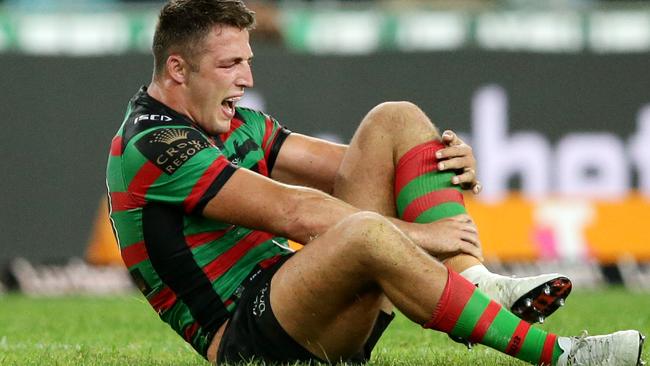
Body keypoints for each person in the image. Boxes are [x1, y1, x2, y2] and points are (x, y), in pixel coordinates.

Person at [106, 0, 645, 365]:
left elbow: (355, 166)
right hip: (247, 339)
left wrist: (436, 158)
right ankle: (566, 356)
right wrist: (424, 236)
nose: (248, 79)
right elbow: (293, 213)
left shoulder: (231, 119)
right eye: (231, 65)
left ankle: (475, 281)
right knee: (365, 231)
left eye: (247, 61)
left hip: (302, 294)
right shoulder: (154, 145)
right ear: (177, 69)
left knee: (396, 119)